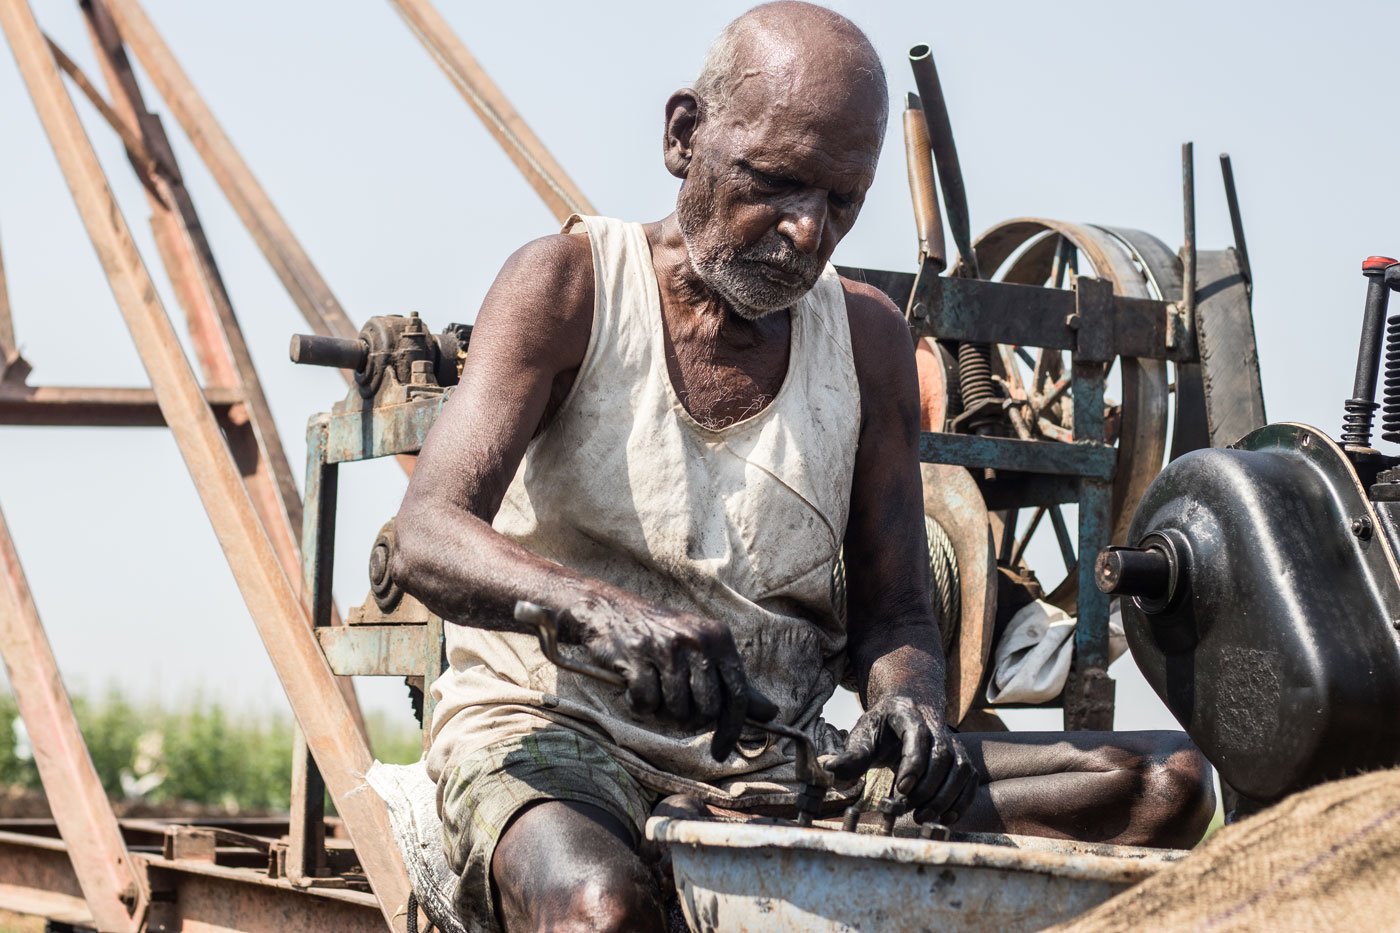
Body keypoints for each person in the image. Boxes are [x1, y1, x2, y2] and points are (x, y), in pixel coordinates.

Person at [392, 4, 1215, 929]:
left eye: (842, 202)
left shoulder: (867, 344)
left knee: (1162, 784)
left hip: (774, 757)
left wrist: (908, 706)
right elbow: (423, 534)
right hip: (556, 734)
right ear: (683, 135)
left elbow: (899, 610)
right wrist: (602, 614)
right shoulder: (569, 287)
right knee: (602, 908)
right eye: (776, 183)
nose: (806, 232)